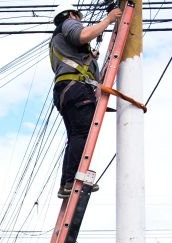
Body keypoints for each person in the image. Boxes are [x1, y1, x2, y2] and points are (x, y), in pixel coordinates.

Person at [49, 3, 122, 199]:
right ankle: (72, 180)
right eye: (78, 17)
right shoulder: (68, 24)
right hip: (76, 89)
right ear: (71, 14)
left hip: (66, 91)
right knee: (81, 133)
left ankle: (67, 183)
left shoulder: (58, 39)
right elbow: (82, 35)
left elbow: (74, 52)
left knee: (75, 136)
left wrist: (90, 58)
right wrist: (108, 20)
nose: (79, 21)